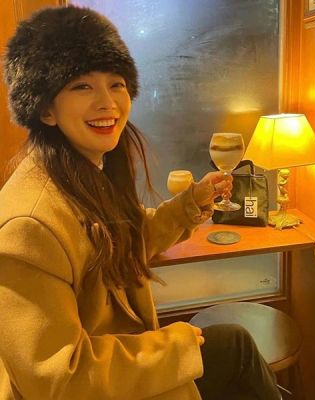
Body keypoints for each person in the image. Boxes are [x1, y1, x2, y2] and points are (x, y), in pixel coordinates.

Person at [0, 5, 282, 400]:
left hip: (122, 373)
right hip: (99, 388)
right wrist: (174, 346)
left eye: (116, 83)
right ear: (45, 109)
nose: (108, 103)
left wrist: (189, 204)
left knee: (235, 344)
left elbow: (121, 243)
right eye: (82, 86)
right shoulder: (27, 227)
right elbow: (58, 378)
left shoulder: (84, 174)